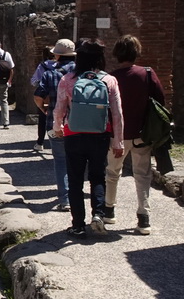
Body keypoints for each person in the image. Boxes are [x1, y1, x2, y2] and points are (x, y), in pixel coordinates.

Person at [51, 40, 124, 238]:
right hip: (100, 135)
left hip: (73, 135)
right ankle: (99, 215)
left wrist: (57, 129)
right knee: (97, 176)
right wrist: (118, 142)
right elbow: (117, 114)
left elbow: (59, 109)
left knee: (75, 180)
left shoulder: (68, 79)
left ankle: (78, 225)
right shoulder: (109, 80)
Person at [103, 35, 165, 235]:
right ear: (136, 52)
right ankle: (143, 217)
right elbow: (160, 102)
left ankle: (109, 211)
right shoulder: (147, 74)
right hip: (142, 133)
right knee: (143, 174)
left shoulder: (110, 78)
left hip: (117, 135)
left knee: (112, 173)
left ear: (117, 53)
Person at [34, 39, 77, 211]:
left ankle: (65, 199)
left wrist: (44, 109)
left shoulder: (50, 73)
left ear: (56, 54)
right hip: (80, 125)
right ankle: (77, 196)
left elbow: (38, 96)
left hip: (55, 124)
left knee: (60, 161)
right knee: (77, 160)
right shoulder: (84, 73)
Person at [30, 46, 57, 151]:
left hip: (46, 97)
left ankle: (40, 142)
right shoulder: (63, 66)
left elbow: (34, 80)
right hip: (60, 96)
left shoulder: (42, 66)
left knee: (43, 119)